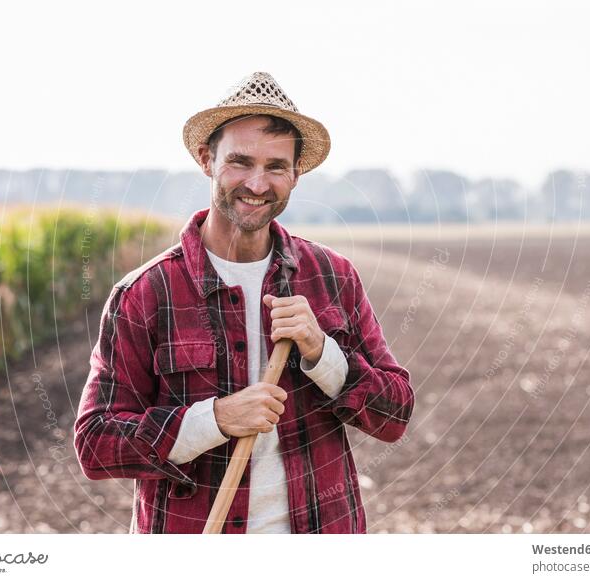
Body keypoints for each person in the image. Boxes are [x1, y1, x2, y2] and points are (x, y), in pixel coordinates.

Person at [73, 72, 414, 533]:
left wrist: (323, 353)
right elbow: (96, 445)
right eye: (240, 162)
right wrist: (214, 419)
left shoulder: (332, 277)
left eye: (276, 166)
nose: (257, 183)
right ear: (206, 160)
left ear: (296, 174)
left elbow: (393, 417)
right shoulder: (146, 294)